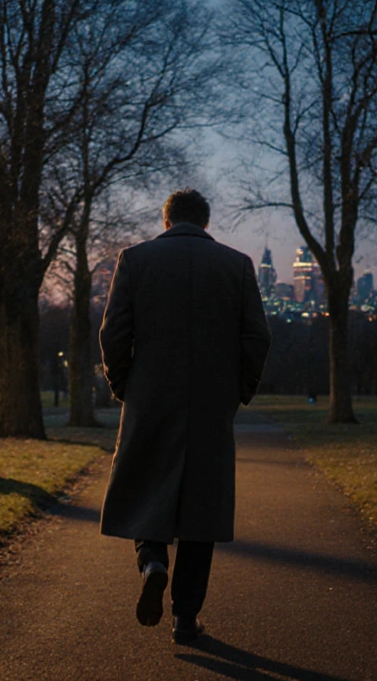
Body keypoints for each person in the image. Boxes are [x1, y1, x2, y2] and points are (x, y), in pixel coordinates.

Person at [98, 188, 271, 644]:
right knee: (202, 508)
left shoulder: (135, 260)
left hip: (150, 397)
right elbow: (257, 337)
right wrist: (238, 392)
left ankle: (152, 560)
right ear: (206, 222)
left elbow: (113, 333)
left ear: (167, 220)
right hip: (211, 403)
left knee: (142, 487)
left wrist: (123, 386)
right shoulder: (237, 266)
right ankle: (184, 617)